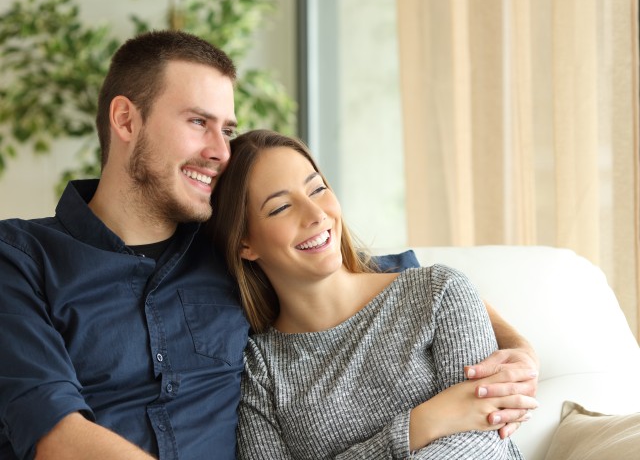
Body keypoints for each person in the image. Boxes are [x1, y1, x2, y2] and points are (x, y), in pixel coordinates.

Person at [0, 30, 536, 460]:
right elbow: (53, 432)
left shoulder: (229, 245)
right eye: (197, 123)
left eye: (226, 129)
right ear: (125, 119)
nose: (219, 151)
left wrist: (520, 350)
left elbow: (376, 277)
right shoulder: (21, 257)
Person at [208, 129, 537, 459]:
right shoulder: (259, 371)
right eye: (280, 208)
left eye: (318, 189)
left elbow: (483, 443)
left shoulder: (439, 293)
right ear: (244, 243)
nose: (316, 215)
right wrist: (419, 426)